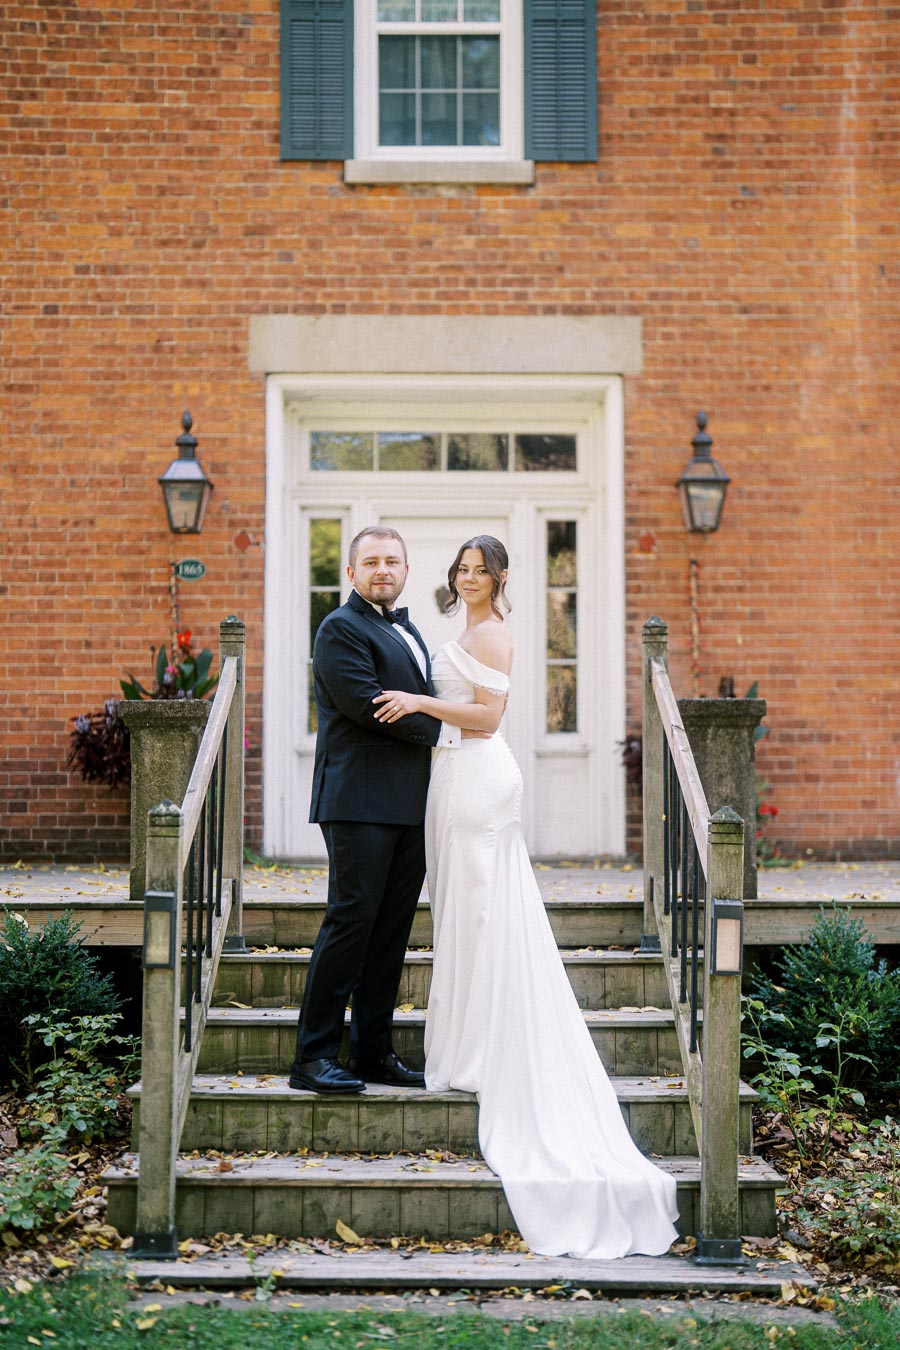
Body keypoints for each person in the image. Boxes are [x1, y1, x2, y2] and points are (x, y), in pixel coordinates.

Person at [373, 535, 680, 1259]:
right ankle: (461, 1049)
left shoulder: (495, 633)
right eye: (462, 568)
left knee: (482, 917)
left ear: (500, 578)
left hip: (478, 776)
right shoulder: (462, 628)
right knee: (462, 919)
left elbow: (488, 717)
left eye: (480, 570)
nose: (469, 577)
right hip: (451, 779)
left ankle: (480, 1054)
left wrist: (416, 699)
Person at [289, 525, 466, 1095]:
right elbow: (372, 709)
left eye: (392, 561)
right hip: (358, 801)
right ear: (352, 573)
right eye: (371, 562)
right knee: (350, 924)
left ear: (407, 570)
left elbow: (410, 700)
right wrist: (456, 731)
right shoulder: (340, 628)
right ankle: (313, 1057)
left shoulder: (408, 628)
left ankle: (371, 1052)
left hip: (410, 804)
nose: (382, 570)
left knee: (389, 934)